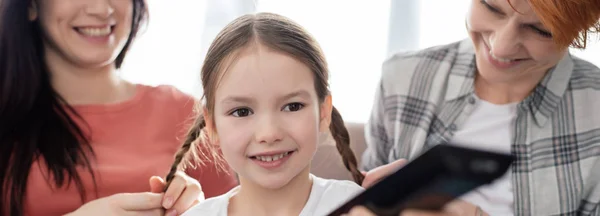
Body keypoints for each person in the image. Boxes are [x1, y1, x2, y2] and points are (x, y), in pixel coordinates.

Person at [360, 0, 600, 215]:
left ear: (582, 27)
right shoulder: (403, 76)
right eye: (491, 7)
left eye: (540, 30)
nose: (500, 48)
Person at [0, 0, 238, 216]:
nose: (101, 9)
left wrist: (205, 210)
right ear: (30, 5)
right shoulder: (7, 117)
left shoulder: (183, 112)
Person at [162, 12, 367, 216]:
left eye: (292, 106)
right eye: (242, 112)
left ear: (323, 112)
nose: (268, 134)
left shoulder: (357, 208)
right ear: (213, 125)